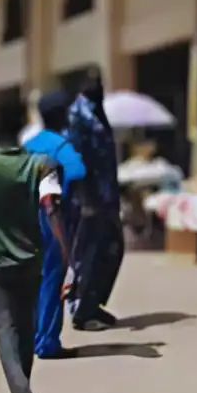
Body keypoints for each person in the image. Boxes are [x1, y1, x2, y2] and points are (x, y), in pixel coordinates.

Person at [0, 104, 60, 393]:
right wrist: (66, 251)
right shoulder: (41, 164)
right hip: (30, 262)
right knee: (25, 334)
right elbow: (51, 208)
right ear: (22, 125)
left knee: (7, 340)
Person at [22, 90, 87, 359]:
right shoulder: (62, 145)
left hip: (26, 216)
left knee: (34, 280)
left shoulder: (29, 144)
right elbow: (78, 172)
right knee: (53, 277)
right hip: (53, 216)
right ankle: (47, 342)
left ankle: (34, 335)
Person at [64, 69, 125, 331]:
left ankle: (93, 303)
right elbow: (76, 158)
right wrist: (85, 196)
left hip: (106, 195)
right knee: (89, 254)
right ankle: (82, 311)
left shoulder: (96, 111)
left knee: (111, 249)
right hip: (89, 199)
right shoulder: (78, 116)